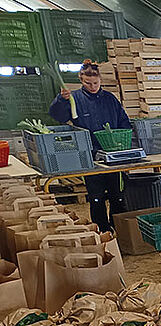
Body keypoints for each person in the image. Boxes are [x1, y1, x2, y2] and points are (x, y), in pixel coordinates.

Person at [49, 60, 131, 233]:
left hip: (112, 155)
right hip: (89, 156)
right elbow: (57, 115)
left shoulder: (110, 99)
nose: (93, 86)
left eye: (96, 83)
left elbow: (124, 121)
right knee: (96, 197)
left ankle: (120, 230)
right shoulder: (75, 99)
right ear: (81, 80)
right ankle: (102, 231)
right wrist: (61, 100)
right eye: (88, 83)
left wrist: (123, 141)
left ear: (100, 80)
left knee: (118, 195)